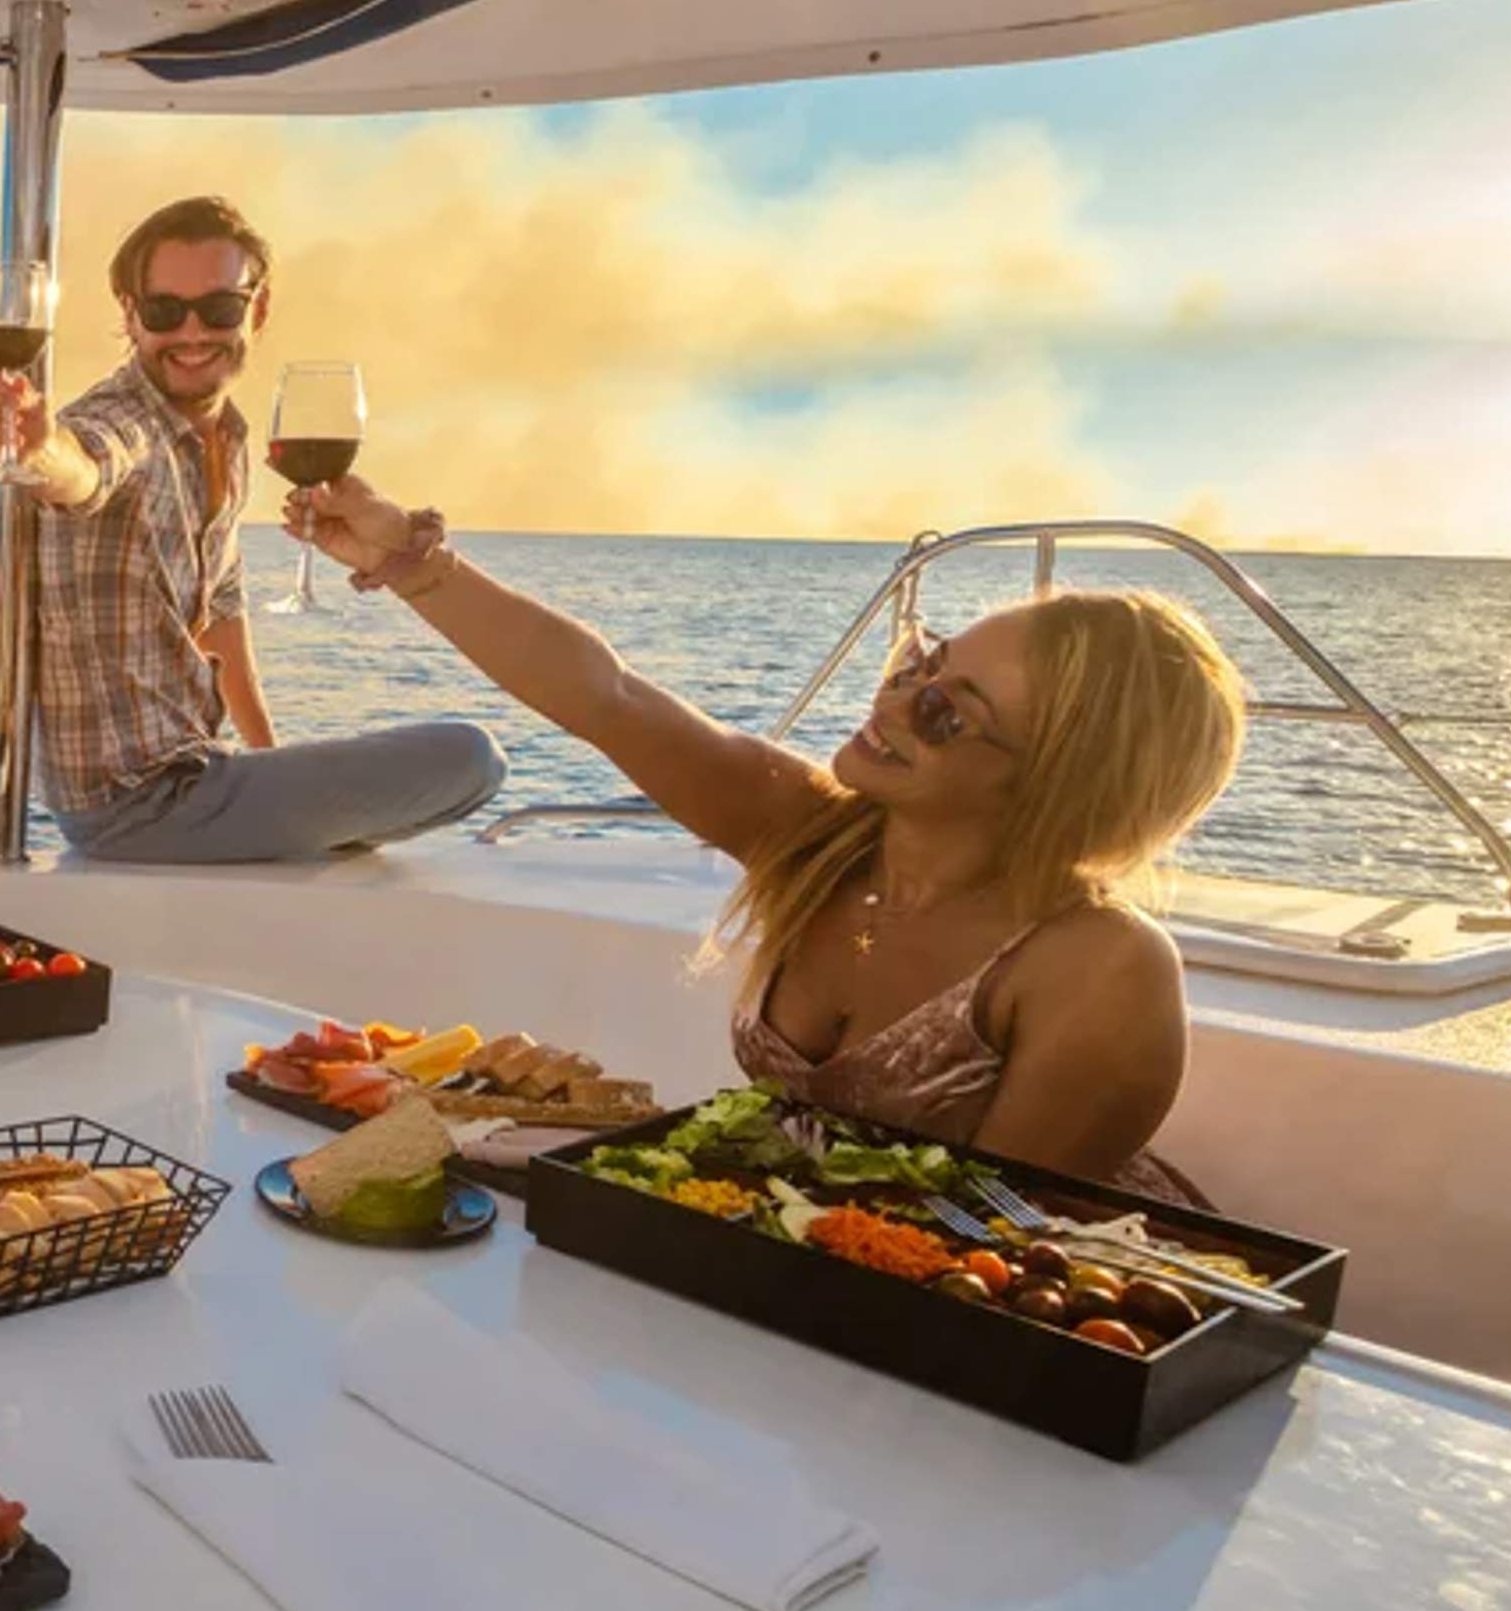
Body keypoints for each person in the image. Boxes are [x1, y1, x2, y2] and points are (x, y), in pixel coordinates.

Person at [283, 475, 1246, 1188]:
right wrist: (407, 560)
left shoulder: (1097, 967)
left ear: (1055, 786)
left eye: (946, 712)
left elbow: (994, 1240)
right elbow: (607, 698)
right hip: (798, 1263)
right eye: (920, 661)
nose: (894, 701)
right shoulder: (823, 840)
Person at [0, 195, 504, 862]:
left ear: (258, 310)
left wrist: (267, 755)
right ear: (130, 315)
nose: (192, 333)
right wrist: (37, 451)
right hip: (134, 804)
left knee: (448, 771)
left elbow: (221, 615)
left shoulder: (225, 439)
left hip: (199, 771)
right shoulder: (122, 420)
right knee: (472, 758)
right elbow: (83, 468)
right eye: (164, 311)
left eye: (220, 309)